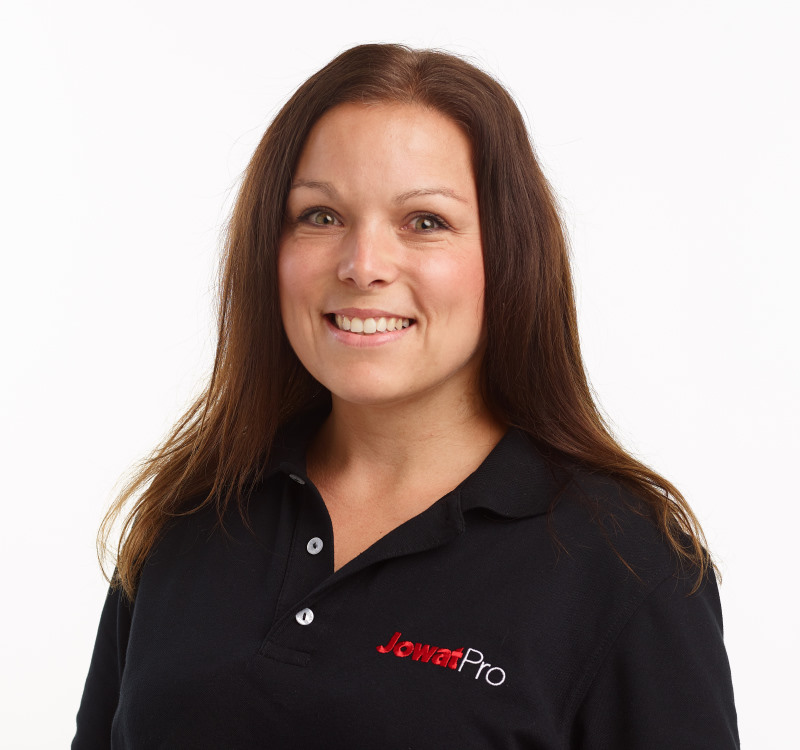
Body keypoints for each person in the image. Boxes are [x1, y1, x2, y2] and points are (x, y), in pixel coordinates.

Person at [72, 43, 739, 748]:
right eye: (320, 215)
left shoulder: (628, 561)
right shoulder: (191, 510)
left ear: (509, 254)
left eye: (425, 221)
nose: (363, 266)